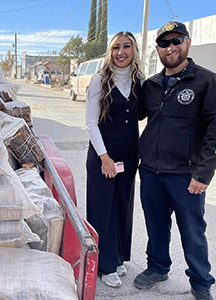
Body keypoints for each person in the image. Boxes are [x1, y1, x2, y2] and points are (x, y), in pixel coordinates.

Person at [134, 21, 216, 300]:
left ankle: (201, 283)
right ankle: (158, 267)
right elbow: (130, 115)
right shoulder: (151, 85)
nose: (171, 47)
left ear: (188, 43)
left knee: (192, 230)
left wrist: (203, 174)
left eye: (177, 41)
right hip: (151, 171)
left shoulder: (207, 81)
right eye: (164, 43)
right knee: (156, 225)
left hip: (186, 175)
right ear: (158, 49)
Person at [85, 31, 144, 288]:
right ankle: (104, 265)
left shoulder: (139, 81)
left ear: (134, 50)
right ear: (110, 53)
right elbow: (90, 123)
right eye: (116, 47)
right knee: (103, 209)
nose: (121, 52)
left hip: (129, 158)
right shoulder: (100, 81)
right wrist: (104, 157)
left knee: (122, 207)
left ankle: (118, 257)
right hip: (103, 157)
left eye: (126, 46)